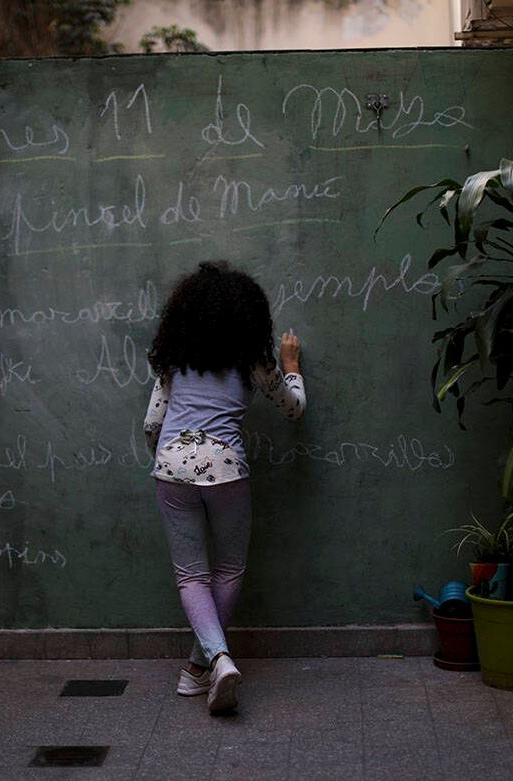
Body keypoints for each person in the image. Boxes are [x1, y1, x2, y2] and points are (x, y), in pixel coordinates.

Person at [143, 261, 306, 713]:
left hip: (171, 468)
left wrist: (164, 459)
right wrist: (291, 365)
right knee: (229, 569)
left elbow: (151, 423)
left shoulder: (173, 363)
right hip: (228, 471)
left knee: (190, 575)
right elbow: (293, 410)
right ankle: (214, 660)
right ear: (247, 317)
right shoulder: (253, 361)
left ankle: (206, 664)